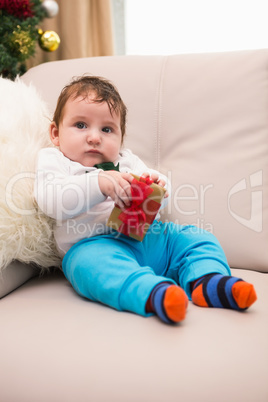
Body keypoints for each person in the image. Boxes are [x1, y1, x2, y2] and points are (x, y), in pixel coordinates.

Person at [34, 76, 257, 324]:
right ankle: (154, 293)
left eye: (107, 129)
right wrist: (99, 183)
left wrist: (157, 185)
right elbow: (50, 200)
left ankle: (209, 282)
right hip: (93, 245)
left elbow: (155, 208)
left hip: (150, 240)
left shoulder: (127, 161)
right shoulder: (55, 161)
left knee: (195, 237)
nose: (95, 137)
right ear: (56, 133)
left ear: (120, 138)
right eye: (81, 125)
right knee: (89, 268)